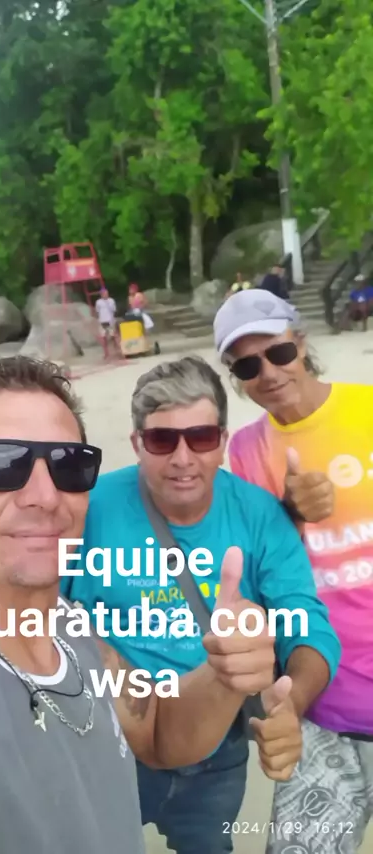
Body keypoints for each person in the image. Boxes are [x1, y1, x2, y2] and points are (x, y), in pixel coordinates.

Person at [0, 354, 286, 854]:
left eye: (68, 465)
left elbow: (158, 732)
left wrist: (224, 671)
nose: (45, 495)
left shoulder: (68, 626)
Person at [61, 355, 341, 854]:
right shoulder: (89, 509)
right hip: (107, 740)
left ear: (223, 442)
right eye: (162, 440)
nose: (183, 458)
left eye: (202, 437)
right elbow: (38, 608)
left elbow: (306, 623)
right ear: (137, 444)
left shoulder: (259, 515)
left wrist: (289, 703)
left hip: (216, 747)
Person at [213, 288, 373, 854]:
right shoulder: (246, 451)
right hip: (320, 698)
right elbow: (262, 572)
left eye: (279, 353)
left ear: (301, 343)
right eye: (248, 366)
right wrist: (290, 515)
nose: (269, 373)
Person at [95, 288, 118, 358]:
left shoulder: (111, 300)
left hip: (110, 321)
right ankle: (106, 353)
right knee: (103, 337)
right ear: (101, 295)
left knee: (113, 336)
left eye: (107, 293)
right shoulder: (98, 302)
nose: (106, 295)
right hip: (102, 321)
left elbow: (114, 310)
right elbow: (97, 311)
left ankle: (116, 350)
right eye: (104, 294)